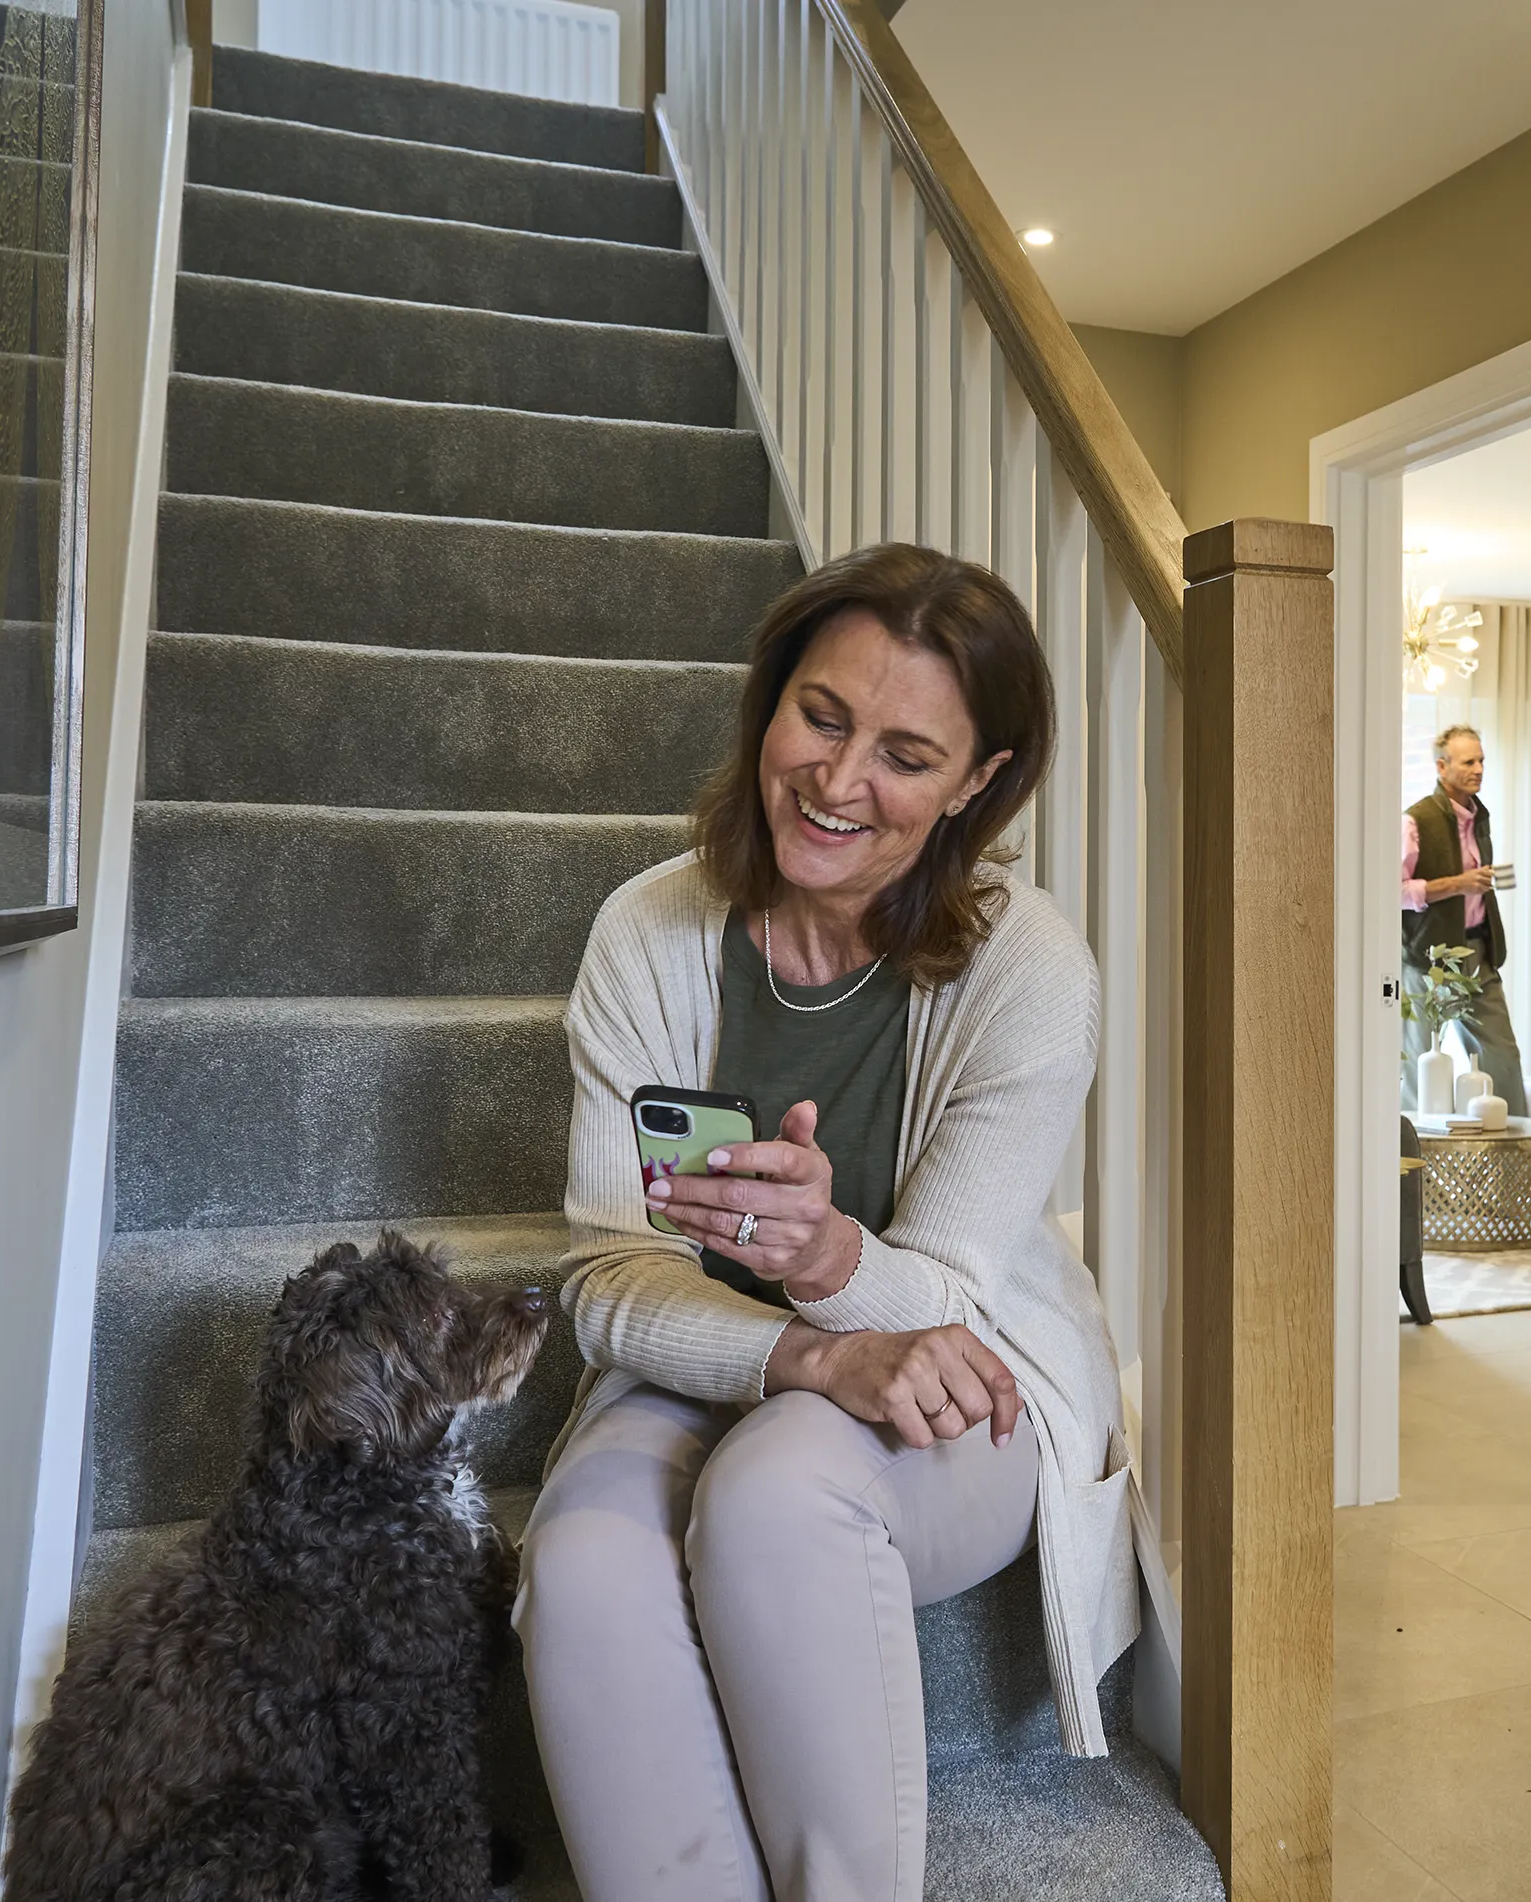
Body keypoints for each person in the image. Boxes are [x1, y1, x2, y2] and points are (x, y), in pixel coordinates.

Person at [516, 544, 1135, 1902]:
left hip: (960, 1374)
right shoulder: (648, 928)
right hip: (711, 1354)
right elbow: (610, 1275)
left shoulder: (1029, 971)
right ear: (768, 702)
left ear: (980, 780)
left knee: (777, 1492)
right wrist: (800, 1344)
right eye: (821, 715)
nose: (839, 782)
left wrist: (830, 1257)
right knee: (578, 1560)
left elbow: (950, 1305)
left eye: (909, 755)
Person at [1401, 723, 1526, 1115]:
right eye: (1469, 761)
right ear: (1442, 767)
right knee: (1419, 1057)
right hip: (1431, 958)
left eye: (1482, 760)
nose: (1479, 768)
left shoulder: (1480, 817)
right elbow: (1392, 891)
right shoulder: (1414, 821)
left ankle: (1512, 1154)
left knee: (1502, 1054)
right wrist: (1458, 884)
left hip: (1479, 952)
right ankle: (1409, 1161)